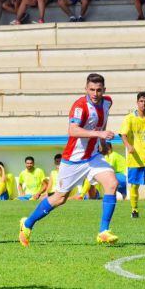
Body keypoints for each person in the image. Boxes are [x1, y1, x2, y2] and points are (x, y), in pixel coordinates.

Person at [19, 73, 120, 246]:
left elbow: (101, 123)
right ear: (85, 89)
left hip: (93, 157)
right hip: (73, 160)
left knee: (112, 183)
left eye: (99, 90)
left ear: (104, 89)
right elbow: (72, 130)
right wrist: (99, 134)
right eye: (92, 90)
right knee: (60, 198)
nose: (95, 93)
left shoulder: (107, 102)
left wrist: (102, 142)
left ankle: (103, 231)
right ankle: (27, 224)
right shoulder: (80, 106)